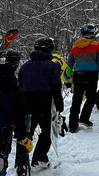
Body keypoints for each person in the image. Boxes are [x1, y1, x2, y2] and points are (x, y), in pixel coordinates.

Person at [17, 37, 64, 168]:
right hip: (45, 101)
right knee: (47, 130)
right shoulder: (52, 65)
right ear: (49, 49)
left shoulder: (25, 66)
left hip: (27, 101)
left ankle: (20, 163)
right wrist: (60, 106)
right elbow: (56, 87)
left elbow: (19, 86)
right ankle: (40, 157)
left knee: (27, 131)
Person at [67, 24, 99, 131]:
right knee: (91, 98)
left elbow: (70, 63)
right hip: (91, 75)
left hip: (78, 75)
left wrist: (67, 76)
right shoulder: (97, 45)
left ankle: (72, 124)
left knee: (76, 99)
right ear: (92, 33)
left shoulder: (75, 46)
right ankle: (84, 118)